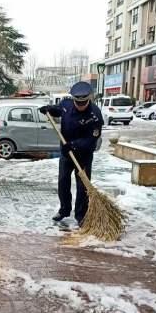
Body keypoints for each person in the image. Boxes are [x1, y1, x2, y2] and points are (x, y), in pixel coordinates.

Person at [39, 81, 104, 226]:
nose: (79, 106)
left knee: (83, 186)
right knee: (63, 181)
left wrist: (74, 145)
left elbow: (91, 140)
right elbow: (59, 110)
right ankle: (64, 210)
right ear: (74, 99)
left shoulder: (95, 115)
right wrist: (48, 109)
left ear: (88, 99)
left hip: (84, 156)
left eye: (83, 103)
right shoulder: (67, 104)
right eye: (77, 103)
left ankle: (81, 215)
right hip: (66, 154)